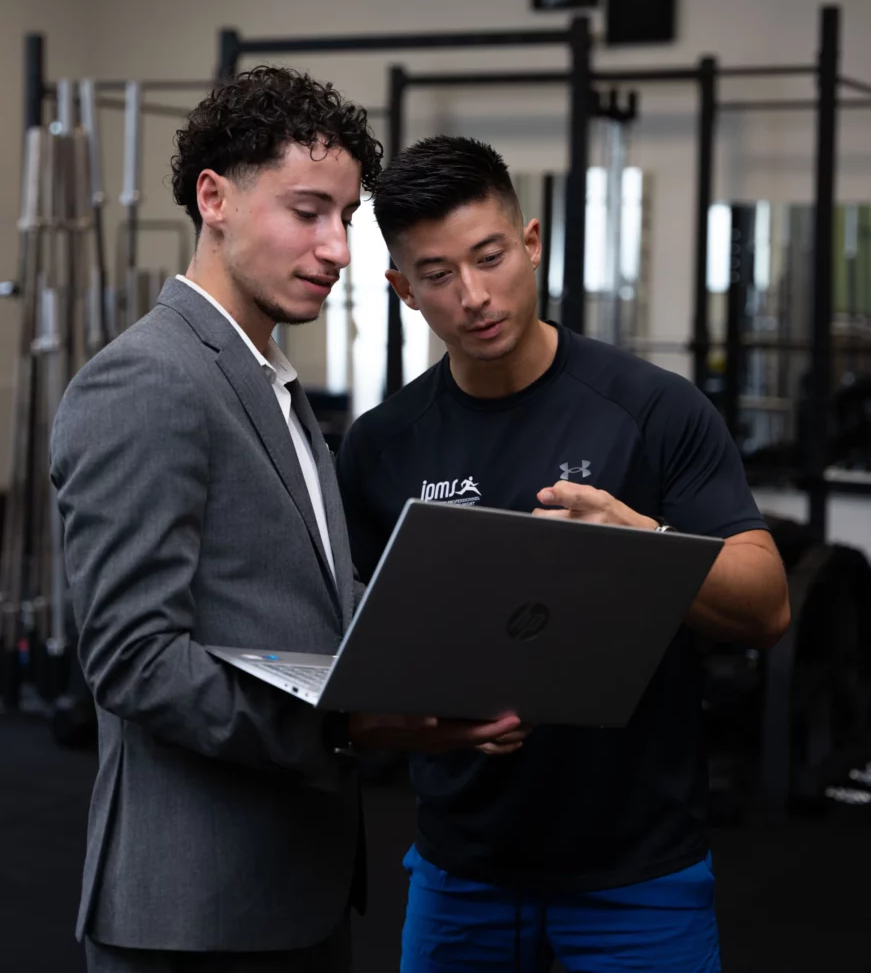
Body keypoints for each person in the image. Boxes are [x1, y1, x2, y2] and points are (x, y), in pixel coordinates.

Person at [51, 77, 521, 973]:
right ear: (214, 198)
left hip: (291, 889)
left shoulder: (266, 379)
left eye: (346, 217)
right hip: (191, 911)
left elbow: (298, 598)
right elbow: (134, 659)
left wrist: (447, 661)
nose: (338, 248)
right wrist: (353, 727)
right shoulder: (147, 380)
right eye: (310, 212)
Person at [336, 136, 791, 973]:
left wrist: (645, 543)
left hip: (637, 873)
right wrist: (417, 717)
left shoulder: (655, 411)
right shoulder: (379, 447)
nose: (474, 295)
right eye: (437, 275)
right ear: (402, 290)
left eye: (491, 256)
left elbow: (766, 607)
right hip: (457, 871)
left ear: (532, 242)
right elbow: (354, 665)